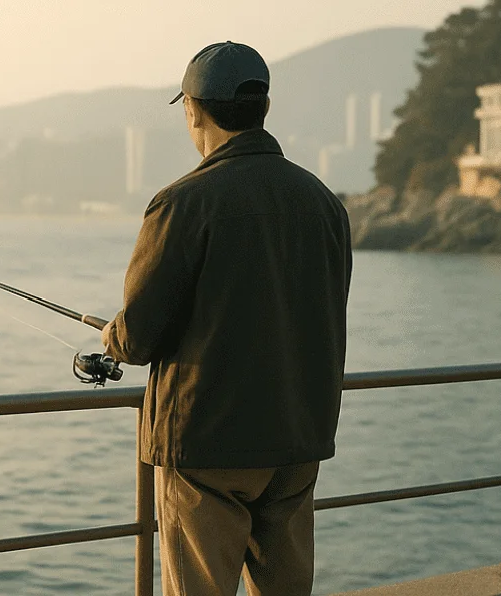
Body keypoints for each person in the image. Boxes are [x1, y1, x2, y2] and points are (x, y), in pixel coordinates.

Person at [101, 41, 352, 596]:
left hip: (207, 442)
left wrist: (111, 336)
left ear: (193, 108)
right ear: (261, 108)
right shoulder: (323, 202)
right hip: (296, 435)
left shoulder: (183, 203)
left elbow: (139, 335)